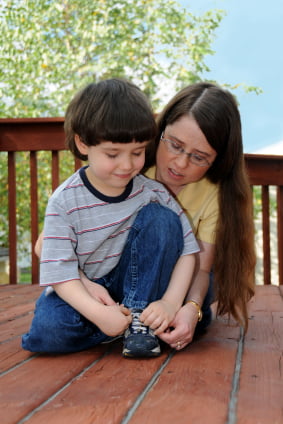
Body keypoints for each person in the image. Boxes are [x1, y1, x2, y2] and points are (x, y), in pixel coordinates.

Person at [22, 78, 199, 358]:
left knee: (163, 219)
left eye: (138, 152)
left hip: (137, 283)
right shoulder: (64, 200)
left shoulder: (153, 193)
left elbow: (188, 252)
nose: (127, 165)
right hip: (81, 286)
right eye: (113, 154)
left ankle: (138, 318)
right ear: (83, 143)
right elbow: (59, 272)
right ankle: (117, 326)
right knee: (47, 333)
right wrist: (98, 313)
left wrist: (169, 303)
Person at [143, 82, 256, 350]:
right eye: (175, 145)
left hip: (191, 277)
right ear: (161, 130)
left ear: (218, 160)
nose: (180, 164)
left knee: (204, 294)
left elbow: (202, 268)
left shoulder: (214, 194)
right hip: (133, 271)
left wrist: (192, 309)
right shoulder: (133, 165)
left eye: (199, 157)